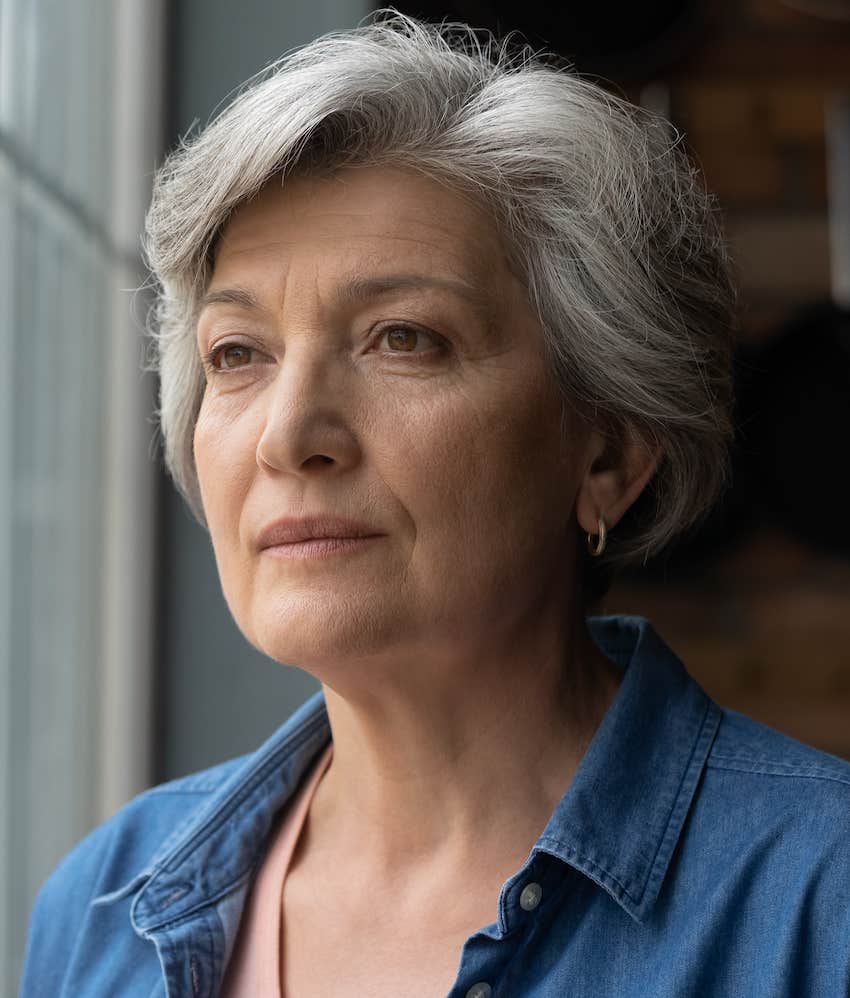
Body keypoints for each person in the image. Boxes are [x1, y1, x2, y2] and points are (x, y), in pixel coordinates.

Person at [20, 9, 850, 997]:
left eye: (402, 337)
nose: (289, 435)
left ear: (608, 452)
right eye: (237, 353)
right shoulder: (102, 901)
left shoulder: (819, 898)